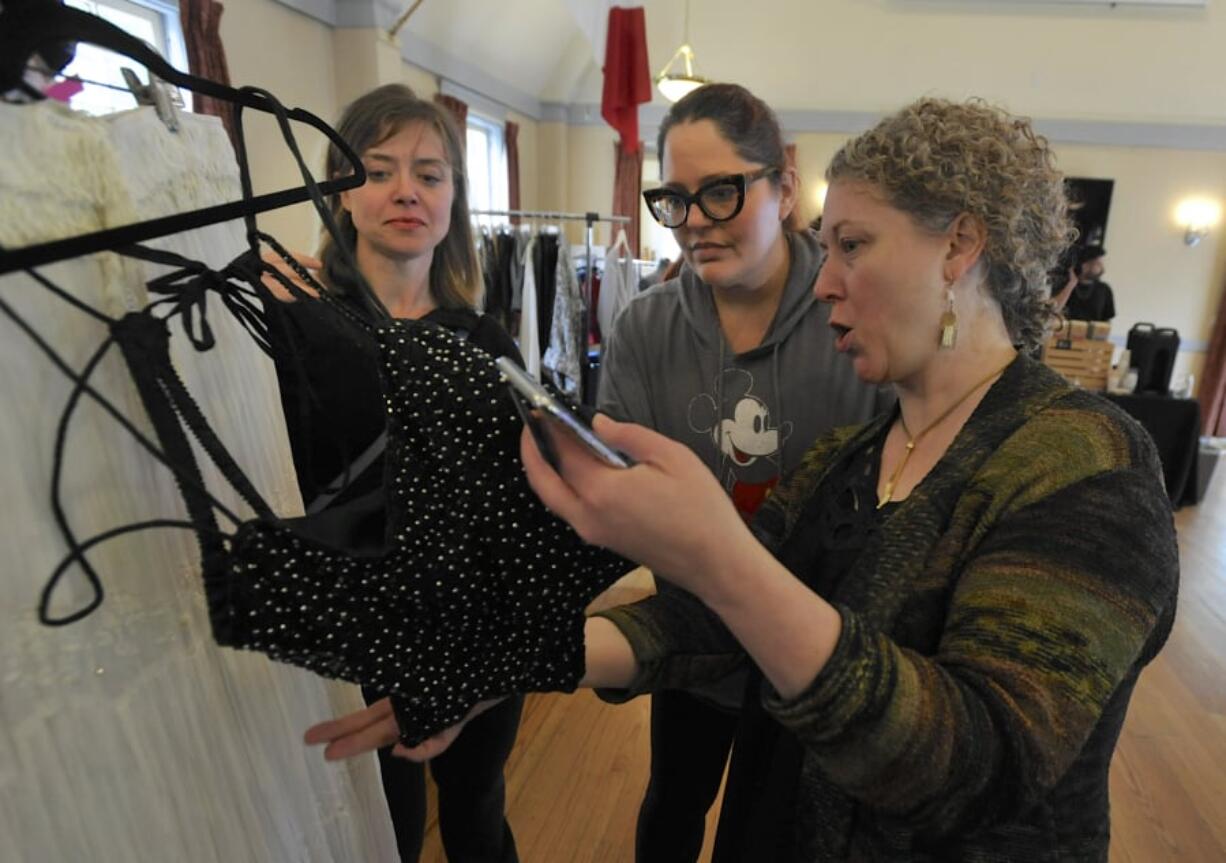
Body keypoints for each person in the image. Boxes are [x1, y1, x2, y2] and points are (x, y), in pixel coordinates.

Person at [307, 97, 1178, 861]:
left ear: (959, 245)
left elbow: (974, 766)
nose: (826, 280)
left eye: (853, 245)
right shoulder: (852, 457)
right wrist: (502, 661)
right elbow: (702, 623)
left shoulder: (1085, 463)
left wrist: (718, 552)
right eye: (827, 246)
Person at [598, 82, 888, 862]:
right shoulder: (644, 327)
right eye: (675, 199)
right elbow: (618, 495)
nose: (693, 221)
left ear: (785, 187)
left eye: (721, 192)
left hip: (824, 653)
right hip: (688, 645)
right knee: (672, 806)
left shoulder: (856, 320)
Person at [261, 83, 523, 863]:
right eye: (378, 170)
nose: (406, 190)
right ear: (341, 194)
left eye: (430, 174)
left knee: (477, 808)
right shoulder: (291, 324)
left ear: (452, 202)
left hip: (468, 627)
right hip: (353, 633)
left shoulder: (488, 344)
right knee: (383, 825)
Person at [1062, 243, 1115, 321]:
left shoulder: (1104, 289)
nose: (1102, 269)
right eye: (1098, 264)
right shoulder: (1064, 285)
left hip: (1092, 332)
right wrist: (1070, 284)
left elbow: (1106, 323)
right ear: (1085, 265)